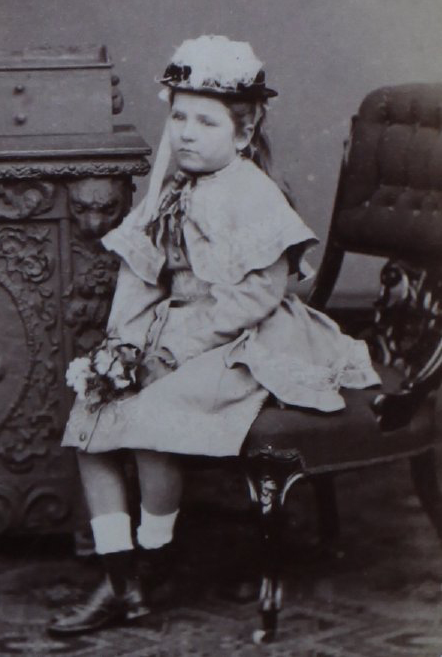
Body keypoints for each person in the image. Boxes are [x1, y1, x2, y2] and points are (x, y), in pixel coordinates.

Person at [48, 35, 380, 637]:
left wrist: (173, 353)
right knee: (91, 420)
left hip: (242, 339)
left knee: (149, 423)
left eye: (207, 121)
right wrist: (123, 348)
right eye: (179, 117)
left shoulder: (251, 193)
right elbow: (140, 279)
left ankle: (153, 561)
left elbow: (257, 296)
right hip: (171, 331)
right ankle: (120, 578)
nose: (187, 134)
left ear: (244, 132)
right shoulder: (170, 191)